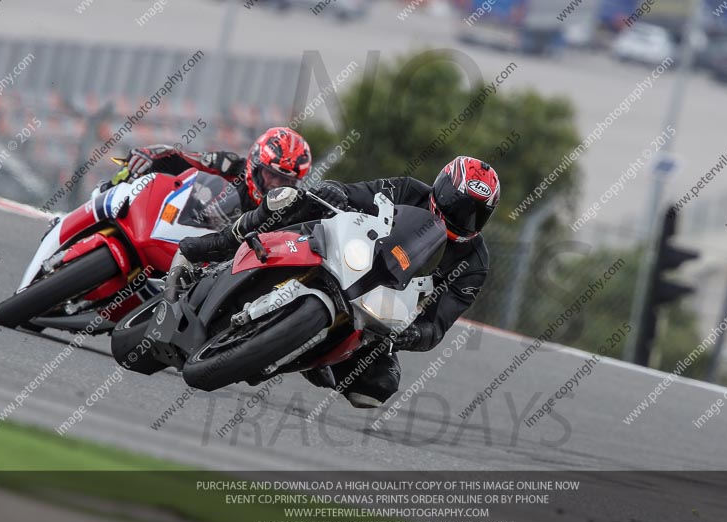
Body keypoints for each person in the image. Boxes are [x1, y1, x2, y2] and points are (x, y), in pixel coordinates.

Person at [179, 156, 500, 408]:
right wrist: (334, 191)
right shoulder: (407, 190)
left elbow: (438, 325)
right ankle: (218, 245)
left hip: (382, 305)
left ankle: (311, 354)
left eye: (475, 213)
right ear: (441, 189)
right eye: (458, 204)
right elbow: (354, 194)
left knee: (377, 388)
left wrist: (413, 334)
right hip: (348, 256)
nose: (464, 217)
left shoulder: (474, 264)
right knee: (290, 201)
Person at [122, 126, 312, 212]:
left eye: (286, 180)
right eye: (271, 174)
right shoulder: (228, 165)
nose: (275, 184)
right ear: (254, 163)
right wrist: (151, 154)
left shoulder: (291, 212)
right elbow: (186, 159)